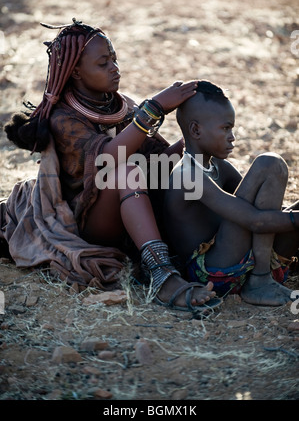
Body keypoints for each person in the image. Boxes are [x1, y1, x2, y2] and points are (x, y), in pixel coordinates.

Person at [1, 19, 221, 314]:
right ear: (76, 72)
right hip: (87, 222)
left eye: (114, 59)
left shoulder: (123, 107)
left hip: (132, 205)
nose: (114, 68)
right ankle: (162, 276)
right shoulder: (64, 119)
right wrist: (153, 108)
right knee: (126, 171)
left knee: (194, 164)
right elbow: (108, 158)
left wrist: (190, 146)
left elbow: (159, 163)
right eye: (103, 63)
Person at [163, 80, 299, 306]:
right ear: (196, 130)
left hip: (240, 259)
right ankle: (260, 281)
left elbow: (262, 206)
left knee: (276, 184)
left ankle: (262, 276)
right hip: (214, 273)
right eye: (226, 128)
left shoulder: (216, 165)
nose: (232, 137)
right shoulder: (187, 176)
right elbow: (255, 221)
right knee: (269, 164)